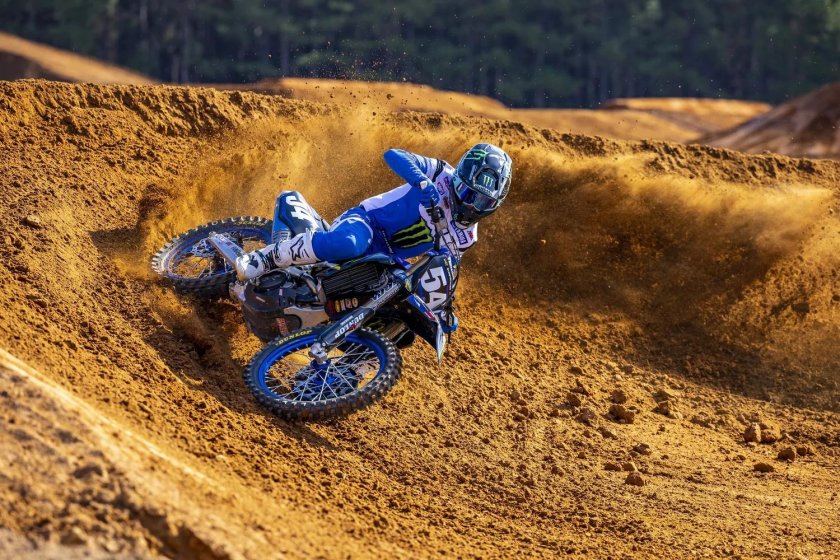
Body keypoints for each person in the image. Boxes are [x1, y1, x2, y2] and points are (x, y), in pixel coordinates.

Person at [235, 143, 513, 331]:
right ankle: (265, 258)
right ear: (459, 178)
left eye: (483, 202)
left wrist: (442, 312)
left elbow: (442, 274)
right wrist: (422, 182)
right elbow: (394, 155)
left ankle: (345, 374)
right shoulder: (441, 173)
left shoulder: (466, 237)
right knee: (350, 244)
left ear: (495, 205)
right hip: (366, 223)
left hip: (387, 261)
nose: (472, 206)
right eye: (468, 193)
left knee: (401, 315)